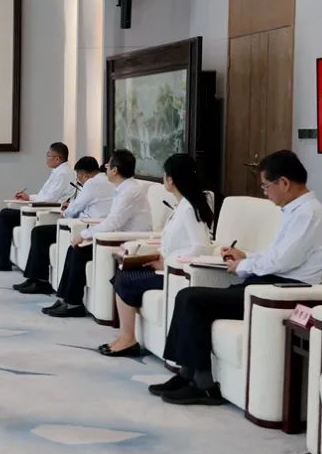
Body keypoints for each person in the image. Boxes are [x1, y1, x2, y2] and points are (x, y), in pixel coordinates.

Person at [151, 150, 322, 405]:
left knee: (191, 299)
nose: (265, 193)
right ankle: (186, 375)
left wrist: (243, 265)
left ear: (284, 182)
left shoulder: (308, 214)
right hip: (266, 282)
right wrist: (245, 256)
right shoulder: (295, 211)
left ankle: (203, 385)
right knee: (188, 298)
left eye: (266, 186)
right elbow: (277, 255)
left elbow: (282, 261)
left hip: (280, 290)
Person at [99, 153, 213, 357]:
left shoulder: (189, 209)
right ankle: (125, 336)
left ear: (171, 179)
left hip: (177, 274)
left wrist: (167, 263)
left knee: (125, 280)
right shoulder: (182, 205)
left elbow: (201, 248)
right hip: (167, 267)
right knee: (123, 274)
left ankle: (127, 339)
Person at [44, 149, 152, 317]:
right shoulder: (123, 188)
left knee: (78, 251)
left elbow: (113, 222)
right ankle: (66, 299)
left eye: (108, 166)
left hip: (127, 241)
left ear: (115, 170)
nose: (105, 169)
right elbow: (112, 220)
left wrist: (85, 234)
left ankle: (73, 304)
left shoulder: (130, 191)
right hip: (116, 236)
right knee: (74, 249)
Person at [14, 156, 114, 295]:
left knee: (40, 233)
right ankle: (36, 280)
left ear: (84, 175)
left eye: (79, 179)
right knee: (41, 232)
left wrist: (66, 210)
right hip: (86, 224)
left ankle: (39, 280)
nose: (79, 182)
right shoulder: (107, 181)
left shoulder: (92, 183)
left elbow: (74, 209)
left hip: (85, 226)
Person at [0, 142, 75, 271]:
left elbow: (50, 199)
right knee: (5, 214)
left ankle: (2, 259)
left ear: (57, 159)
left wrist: (30, 201)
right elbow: (45, 195)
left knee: (6, 215)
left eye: (48, 155)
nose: (46, 158)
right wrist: (29, 198)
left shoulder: (63, 174)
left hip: (46, 212)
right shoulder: (58, 171)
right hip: (42, 208)